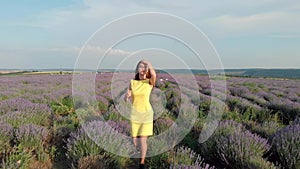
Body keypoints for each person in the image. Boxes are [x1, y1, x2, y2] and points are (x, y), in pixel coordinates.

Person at [124, 59, 156, 169]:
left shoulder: (150, 82)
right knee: (135, 142)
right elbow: (127, 94)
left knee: (143, 140)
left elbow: (154, 73)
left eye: (144, 67)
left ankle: (142, 163)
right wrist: (126, 96)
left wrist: (147, 62)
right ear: (137, 69)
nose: (142, 69)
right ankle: (140, 151)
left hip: (146, 114)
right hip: (135, 114)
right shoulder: (132, 82)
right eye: (140, 67)